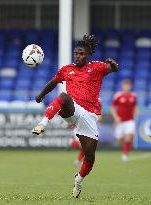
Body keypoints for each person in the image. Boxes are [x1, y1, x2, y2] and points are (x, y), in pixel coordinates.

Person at [32, 34, 118, 198]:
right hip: (73, 110)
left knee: (90, 158)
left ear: (88, 55)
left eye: (81, 54)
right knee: (64, 97)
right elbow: (53, 82)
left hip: (89, 115)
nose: (78, 56)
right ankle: (42, 123)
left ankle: (78, 180)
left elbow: (111, 68)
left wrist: (113, 66)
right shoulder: (66, 69)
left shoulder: (97, 67)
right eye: (76, 53)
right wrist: (40, 95)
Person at [111, 79, 140, 161]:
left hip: (130, 121)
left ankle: (125, 154)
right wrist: (116, 117)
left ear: (130, 86)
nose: (127, 87)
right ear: (122, 86)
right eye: (125, 85)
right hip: (120, 122)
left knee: (128, 137)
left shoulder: (134, 96)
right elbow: (112, 107)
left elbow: (135, 106)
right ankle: (125, 149)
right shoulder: (118, 95)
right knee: (119, 140)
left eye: (128, 85)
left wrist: (137, 111)